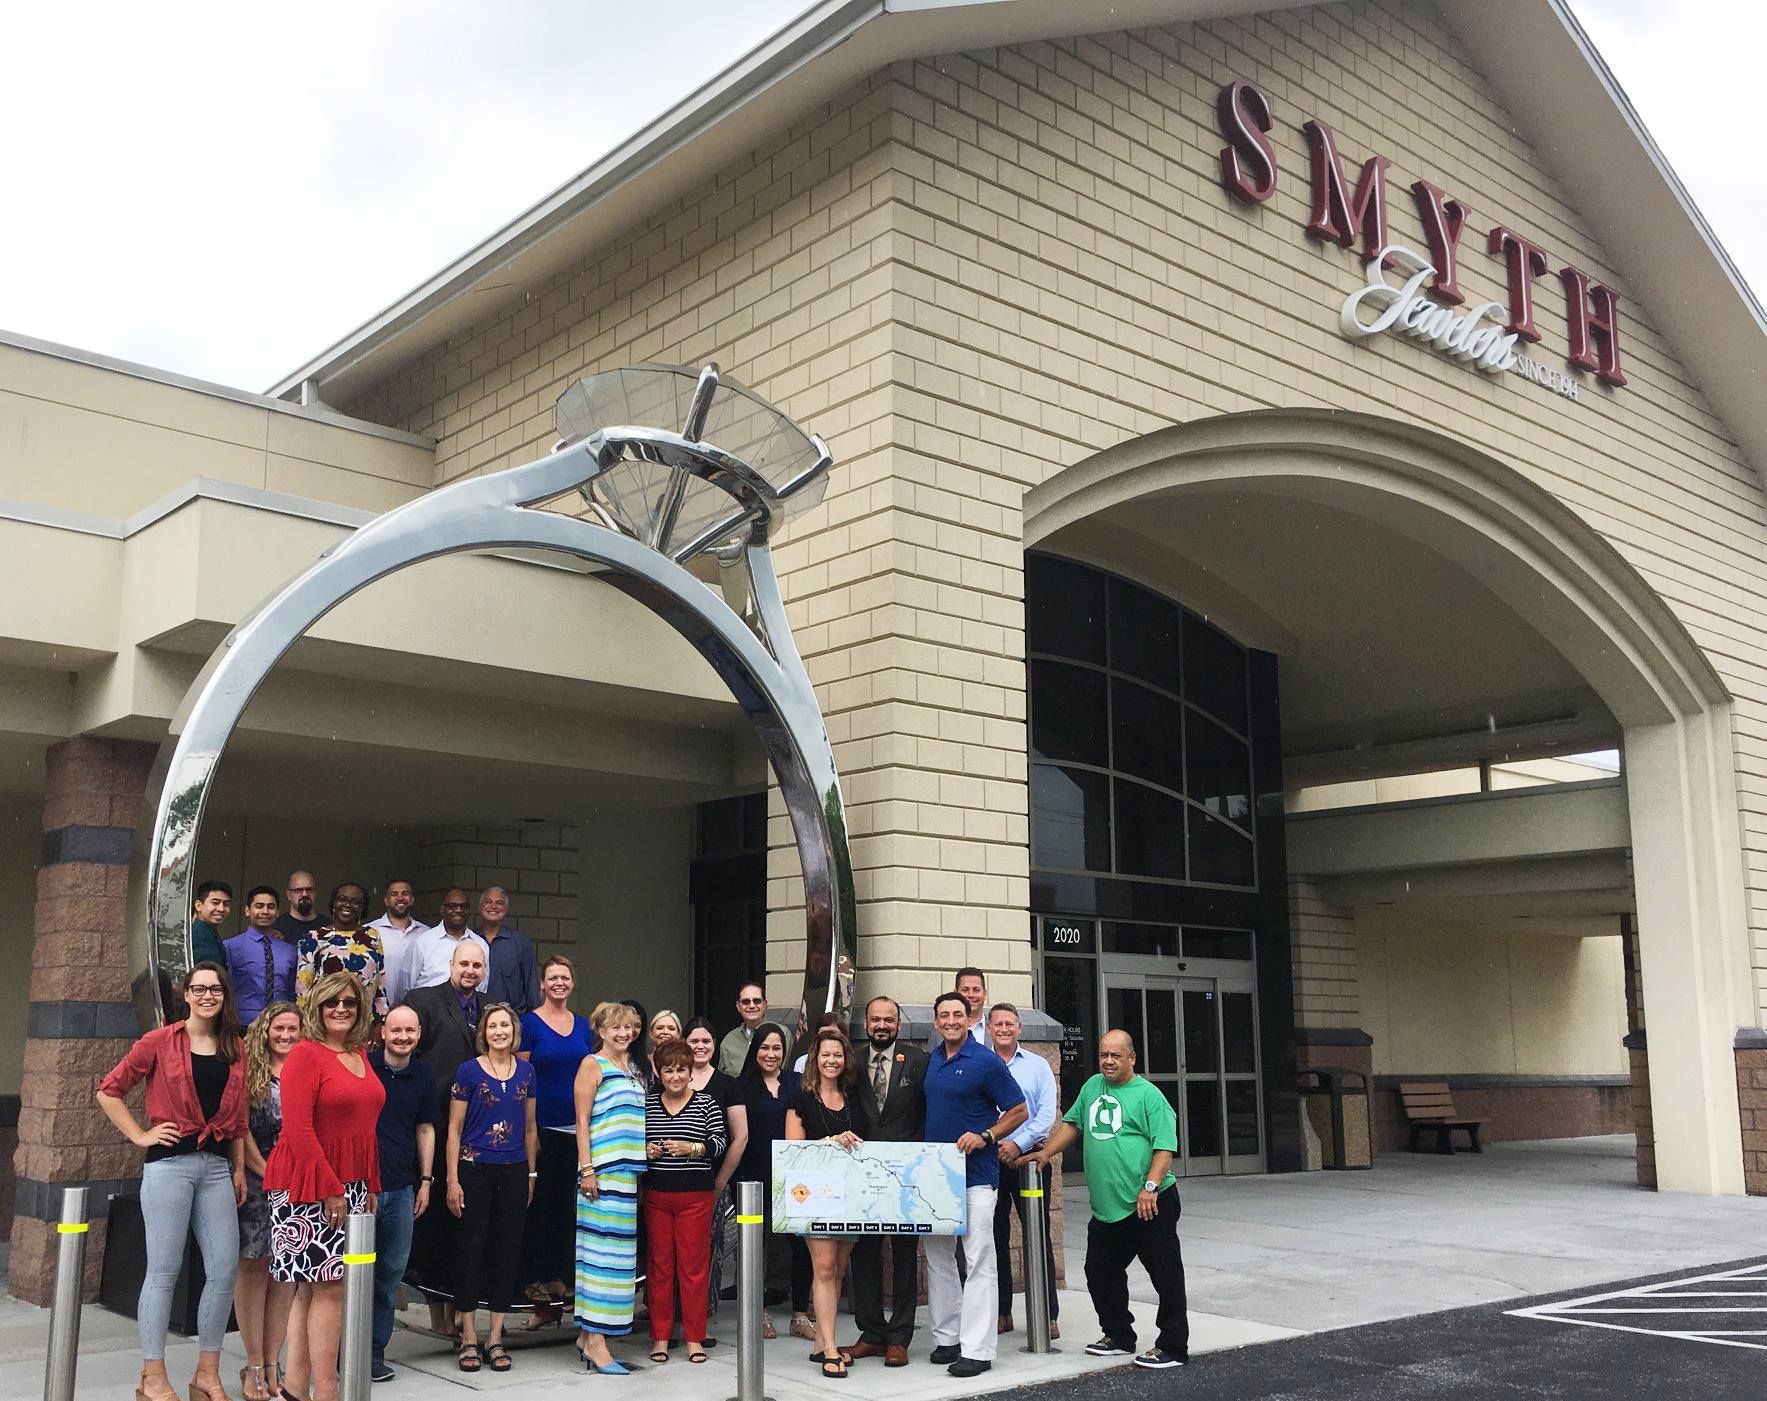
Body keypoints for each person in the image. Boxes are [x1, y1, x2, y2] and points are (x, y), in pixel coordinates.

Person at [96, 962, 247, 1401]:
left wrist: (238, 1168)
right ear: (185, 994)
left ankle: (207, 1373)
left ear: (224, 995)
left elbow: (236, 1120)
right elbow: (109, 1090)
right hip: (170, 1166)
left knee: (223, 1271)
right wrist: (140, 1134)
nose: (207, 996)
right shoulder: (160, 1041)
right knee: (163, 1271)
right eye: (198, 989)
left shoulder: (234, 1046)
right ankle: (153, 1376)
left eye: (215, 989)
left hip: (217, 1168)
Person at [1029, 1029, 1187, 1371]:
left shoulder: (1149, 1096)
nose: (1109, 1061)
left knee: (1166, 1275)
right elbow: (1073, 1125)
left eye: (1116, 1055)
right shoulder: (1092, 1088)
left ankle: (1173, 1345)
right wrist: (1046, 1154)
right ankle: (1118, 1335)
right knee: (1100, 1271)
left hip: (1150, 1204)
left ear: (1132, 1058)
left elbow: (1165, 1146)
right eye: (1104, 1055)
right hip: (1107, 1207)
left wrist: (1150, 1186)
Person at [262, 971, 385, 1401]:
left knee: (314, 1289)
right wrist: (332, 1188)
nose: (341, 1010)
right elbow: (297, 1128)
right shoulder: (306, 1055)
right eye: (332, 1002)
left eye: (350, 1003)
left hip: (349, 1183)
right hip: (307, 1182)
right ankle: (327, 1389)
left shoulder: (360, 1055)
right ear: (316, 1008)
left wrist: (369, 1182)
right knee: (329, 1287)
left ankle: (296, 1388)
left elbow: (365, 1128)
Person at [922, 991, 1027, 1378]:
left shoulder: (985, 1062)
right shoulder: (932, 1061)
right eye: (943, 1015)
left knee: (979, 1259)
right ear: (936, 1023)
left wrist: (986, 1134)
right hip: (934, 1179)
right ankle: (947, 1337)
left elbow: (1019, 1110)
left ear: (969, 1020)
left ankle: (978, 1349)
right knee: (937, 1258)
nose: (950, 1020)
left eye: (957, 1015)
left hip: (977, 1177)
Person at [446, 1003, 538, 1374]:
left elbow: (531, 1128)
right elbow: (453, 1128)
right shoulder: (468, 1071)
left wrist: (532, 1175)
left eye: (506, 1025)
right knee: (471, 1250)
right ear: (483, 1032)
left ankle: (495, 1337)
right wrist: (451, 1179)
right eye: (493, 1026)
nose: (499, 1031)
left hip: (515, 1170)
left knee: (506, 1251)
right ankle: (469, 1336)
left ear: (514, 1031)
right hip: (473, 1169)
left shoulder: (528, 1072)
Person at [404, 939, 488, 1333]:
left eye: (477, 965)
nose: (470, 971)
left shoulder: (492, 1008)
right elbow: (410, 1058)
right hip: (434, 1124)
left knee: (465, 1222)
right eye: (464, 964)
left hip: (479, 1129)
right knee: (435, 1220)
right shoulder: (425, 1000)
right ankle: (437, 1309)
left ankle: (458, 1305)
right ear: (451, 964)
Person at [844, 995, 929, 1367]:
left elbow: (925, 1114)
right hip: (862, 1174)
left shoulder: (919, 1061)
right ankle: (872, 1332)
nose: (882, 1025)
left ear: (898, 1023)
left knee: (905, 1254)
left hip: (905, 1175)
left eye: (889, 1020)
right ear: (866, 1022)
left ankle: (900, 1336)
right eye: (876, 1019)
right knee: (864, 1254)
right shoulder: (852, 1063)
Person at [572, 1000, 649, 1374]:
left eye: (628, 1028)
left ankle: (589, 1337)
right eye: (614, 1028)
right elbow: (582, 1122)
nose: (623, 1034)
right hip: (600, 1177)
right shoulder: (593, 1064)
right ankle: (597, 1342)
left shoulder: (631, 1069)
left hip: (627, 1177)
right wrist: (587, 1169)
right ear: (601, 1032)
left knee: (617, 1264)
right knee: (599, 1261)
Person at [642, 1039, 728, 1365]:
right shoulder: (648, 1105)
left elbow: (720, 1143)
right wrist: (646, 1151)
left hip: (696, 1197)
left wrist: (691, 1148)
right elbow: (636, 1144)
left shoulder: (706, 1103)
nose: (675, 1076)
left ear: (690, 1072)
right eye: (669, 1070)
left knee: (693, 1270)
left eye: (681, 1070)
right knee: (660, 1268)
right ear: (659, 1073)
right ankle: (661, 1337)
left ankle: (695, 1338)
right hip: (657, 1195)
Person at [785, 1025, 864, 1380]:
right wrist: (831, 1141)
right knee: (825, 1268)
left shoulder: (855, 1096)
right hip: (814, 1195)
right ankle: (830, 1346)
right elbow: (792, 1151)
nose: (831, 1061)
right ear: (814, 1060)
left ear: (845, 1059)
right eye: (825, 1055)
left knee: (840, 1270)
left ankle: (822, 1341)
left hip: (851, 1194)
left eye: (838, 1055)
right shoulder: (800, 1099)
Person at [519, 955, 594, 1307]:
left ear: (572, 982)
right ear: (543, 984)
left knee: (568, 1207)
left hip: (576, 1128)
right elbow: (520, 1077)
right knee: (540, 1205)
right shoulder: (529, 1024)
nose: (559, 983)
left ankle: (559, 1276)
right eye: (553, 978)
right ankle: (534, 1277)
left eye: (565, 977)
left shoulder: (582, 1026)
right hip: (541, 1127)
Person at [234, 1002, 299, 1401]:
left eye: (293, 1029)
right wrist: (266, 1173)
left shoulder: (308, 1068)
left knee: (285, 1274)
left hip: (297, 1183)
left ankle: (275, 1362)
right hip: (259, 1183)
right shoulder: (248, 1074)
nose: (286, 1036)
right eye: (279, 1028)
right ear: (265, 1031)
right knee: (255, 1267)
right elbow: (239, 1129)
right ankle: (253, 1364)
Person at [369, 1005, 437, 1383]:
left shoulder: (423, 1076)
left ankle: (374, 1353)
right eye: (396, 1030)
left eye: (410, 1031)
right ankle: (337, 1350)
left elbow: (425, 1129)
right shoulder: (363, 1067)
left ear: (418, 1035)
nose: (403, 1036)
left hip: (402, 1189)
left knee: (388, 1276)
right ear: (383, 1032)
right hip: (361, 1191)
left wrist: (425, 1180)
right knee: (346, 1278)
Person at [987, 1002, 1060, 1339]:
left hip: (1030, 1160)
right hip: (989, 1160)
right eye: (998, 1023)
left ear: (1019, 1029)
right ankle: (1002, 1311)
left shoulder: (1038, 1066)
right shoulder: (982, 1063)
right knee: (995, 1237)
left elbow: (1046, 1114)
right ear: (989, 1028)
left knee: (1037, 1234)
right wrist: (997, 1145)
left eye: (1010, 1023)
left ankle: (1047, 1314)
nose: (1004, 1028)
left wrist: (1017, 1144)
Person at [684, 1017, 747, 1328]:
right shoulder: (672, 1080)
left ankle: (701, 1320)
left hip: (713, 1185)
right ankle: (670, 1317)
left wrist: (720, 1183)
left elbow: (741, 1137)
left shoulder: (727, 1085)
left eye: (706, 1041)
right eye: (694, 1041)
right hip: (671, 1184)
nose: (700, 1046)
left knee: (709, 1254)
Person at [734, 1023, 796, 1338]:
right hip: (753, 1177)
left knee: (794, 1244)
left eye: (776, 1048)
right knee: (754, 1247)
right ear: (754, 1050)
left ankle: (800, 1315)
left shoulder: (796, 1083)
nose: (770, 1054)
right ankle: (758, 1312)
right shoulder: (741, 1087)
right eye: (764, 1048)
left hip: (792, 1179)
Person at [295, 883, 389, 1019]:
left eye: (355, 902)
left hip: (363, 1020)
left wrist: (381, 1019)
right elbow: (303, 987)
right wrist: (304, 1020)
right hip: (324, 1020)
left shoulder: (372, 936)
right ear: (333, 903)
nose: (348, 905)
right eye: (342, 899)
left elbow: (380, 982)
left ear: (363, 908)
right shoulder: (314, 937)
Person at [226, 887, 299, 1028]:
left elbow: (292, 994)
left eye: (270, 907)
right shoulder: (230, 947)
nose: (265, 911)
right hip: (242, 1024)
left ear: (277, 912)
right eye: (259, 906)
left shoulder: (289, 951)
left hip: (280, 1026)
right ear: (247, 910)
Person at [399, 888, 489, 997]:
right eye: (452, 906)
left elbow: (482, 987)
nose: (458, 910)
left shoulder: (480, 944)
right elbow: (406, 988)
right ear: (442, 910)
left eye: (463, 906)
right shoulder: (423, 942)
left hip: (466, 1010)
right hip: (427, 1010)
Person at [475, 886, 540, 1012]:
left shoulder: (520, 942)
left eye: (499, 903)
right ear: (480, 907)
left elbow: (531, 987)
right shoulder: (469, 940)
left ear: (506, 909)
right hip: (474, 1019)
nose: (494, 906)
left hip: (511, 1019)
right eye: (488, 902)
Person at [369, 879, 430, 1007]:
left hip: (416, 1010)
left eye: (405, 893)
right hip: (378, 1009)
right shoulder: (370, 932)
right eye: (394, 894)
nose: (400, 897)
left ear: (412, 899)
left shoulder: (427, 934)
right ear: (386, 900)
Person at [717, 981, 789, 1076]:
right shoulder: (729, 1040)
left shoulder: (782, 1033)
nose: (751, 1006)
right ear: (738, 1006)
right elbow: (723, 1080)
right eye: (746, 1001)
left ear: (765, 1004)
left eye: (757, 1001)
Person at [925, 967, 990, 1050]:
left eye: (976, 990)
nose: (971, 995)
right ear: (956, 993)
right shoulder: (939, 1032)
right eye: (965, 990)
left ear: (984, 994)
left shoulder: (997, 1029)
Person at [190, 879, 232, 969]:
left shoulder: (209, 932)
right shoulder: (200, 935)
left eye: (226, 904)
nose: (221, 909)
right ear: (198, 906)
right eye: (215, 903)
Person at [273, 870, 324, 943]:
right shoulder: (276, 929)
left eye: (309, 889)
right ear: (288, 894)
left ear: (315, 892)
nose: (305, 894)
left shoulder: (327, 927)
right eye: (298, 890)